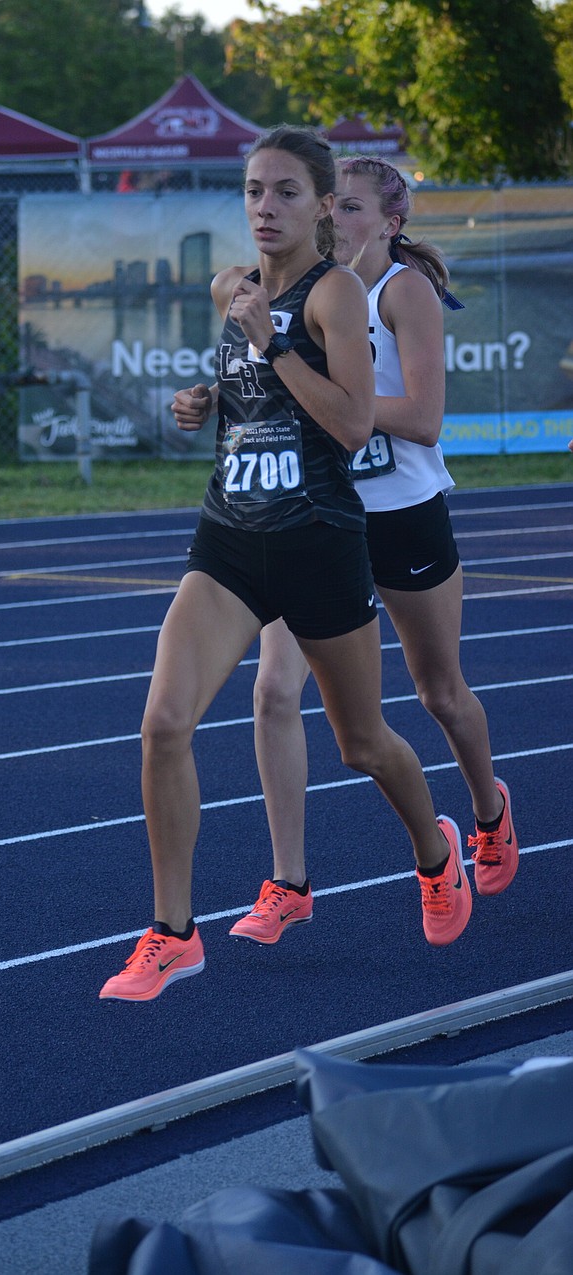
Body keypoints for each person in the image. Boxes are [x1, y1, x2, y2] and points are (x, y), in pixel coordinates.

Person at [99, 128, 471, 1004]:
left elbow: (347, 424)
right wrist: (207, 398)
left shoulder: (336, 295)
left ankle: (435, 852)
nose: (265, 208)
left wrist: (272, 345)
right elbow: (246, 396)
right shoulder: (233, 288)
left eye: (286, 193)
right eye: (254, 192)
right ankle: (172, 933)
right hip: (229, 535)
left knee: (362, 743)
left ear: (318, 207)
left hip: (318, 543)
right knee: (162, 724)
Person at [231, 154, 518, 950]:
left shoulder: (403, 292)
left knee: (440, 693)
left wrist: (337, 398)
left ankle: (488, 815)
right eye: (332, 207)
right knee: (272, 691)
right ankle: (289, 881)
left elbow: (425, 418)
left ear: (390, 224)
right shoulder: (305, 291)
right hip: (319, 517)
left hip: (403, 516)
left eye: (352, 208)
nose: (336, 221)